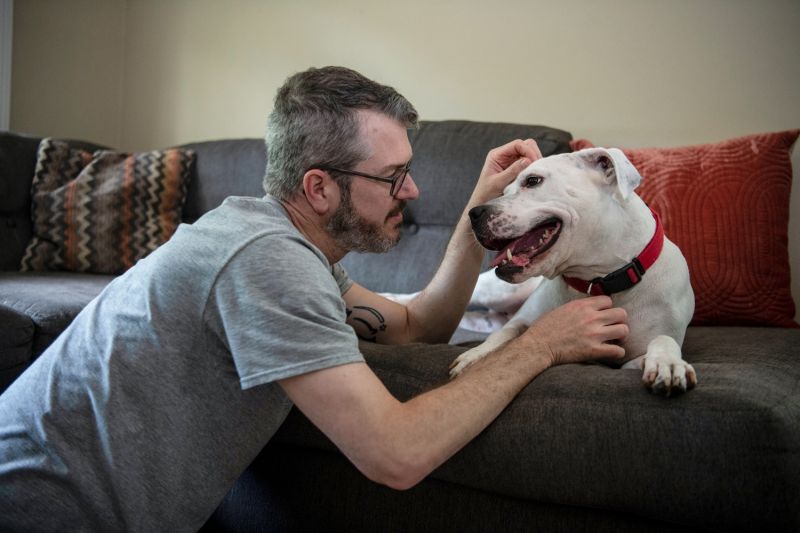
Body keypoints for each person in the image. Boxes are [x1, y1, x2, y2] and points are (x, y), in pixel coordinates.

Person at [0, 66, 628, 531]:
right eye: (391, 177)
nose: (410, 192)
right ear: (319, 188)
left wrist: (479, 209)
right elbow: (396, 454)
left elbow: (418, 327)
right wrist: (539, 345)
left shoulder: (281, 245)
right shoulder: (265, 261)